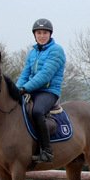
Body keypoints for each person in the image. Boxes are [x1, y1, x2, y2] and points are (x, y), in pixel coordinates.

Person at [16, 18, 66, 163]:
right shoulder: (32, 53)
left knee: (37, 111)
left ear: (50, 34)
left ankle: (47, 151)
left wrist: (25, 88)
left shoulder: (57, 50)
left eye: (45, 33)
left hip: (49, 91)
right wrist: (16, 89)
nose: (42, 35)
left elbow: (45, 75)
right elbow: (25, 73)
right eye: (39, 33)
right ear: (35, 35)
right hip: (31, 90)